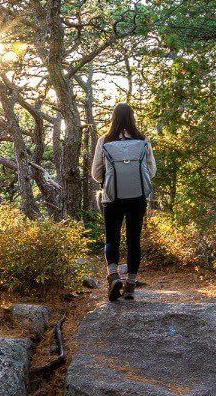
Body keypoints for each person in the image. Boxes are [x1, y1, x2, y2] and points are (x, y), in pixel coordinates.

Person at [91, 103, 156, 301]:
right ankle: (130, 287)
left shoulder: (105, 140)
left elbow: (96, 173)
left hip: (112, 198)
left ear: (114, 118)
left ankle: (113, 275)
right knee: (134, 240)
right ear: (132, 118)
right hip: (137, 198)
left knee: (112, 238)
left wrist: (108, 182)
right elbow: (151, 170)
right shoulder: (143, 140)